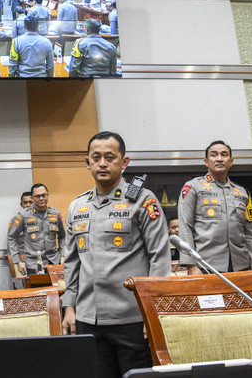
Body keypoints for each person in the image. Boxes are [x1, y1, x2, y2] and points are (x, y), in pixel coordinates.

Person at [62, 131, 171, 378]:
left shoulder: (144, 201)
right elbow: (71, 262)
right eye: (96, 157)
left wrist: (154, 312)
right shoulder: (77, 206)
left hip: (133, 318)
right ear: (87, 162)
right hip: (88, 318)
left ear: (124, 162)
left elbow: (160, 257)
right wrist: (69, 307)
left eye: (110, 157)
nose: (102, 163)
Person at [178, 140, 252, 274]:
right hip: (206, 266)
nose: (219, 158)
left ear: (231, 161)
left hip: (241, 266)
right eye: (214, 155)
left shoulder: (242, 192)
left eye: (224, 154)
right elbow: (185, 228)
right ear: (206, 161)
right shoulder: (193, 187)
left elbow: (250, 234)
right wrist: (191, 265)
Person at [8, 184, 65, 276]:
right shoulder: (24, 215)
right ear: (32, 198)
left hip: (54, 261)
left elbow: (63, 236)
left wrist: (63, 255)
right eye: (38, 196)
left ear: (48, 195)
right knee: (37, 290)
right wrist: (18, 261)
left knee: (56, 290)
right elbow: (12, 237)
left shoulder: (55, 214)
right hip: (33, 264)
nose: (41, 198)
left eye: (44, 195)